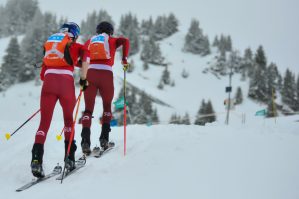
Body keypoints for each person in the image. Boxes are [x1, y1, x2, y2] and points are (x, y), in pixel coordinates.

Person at [30, 22, 89, 178]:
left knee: (44, 123)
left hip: (48, 84)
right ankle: (69, 158)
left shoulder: (52, 49)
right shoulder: (77, 46)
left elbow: (43, 75)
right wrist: (83, 79)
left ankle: (36, 159)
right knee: (68, 121)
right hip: (66, 84)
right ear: (75, 34)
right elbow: (85, 60)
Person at [80, 21, 130, 154]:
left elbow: (81, 56)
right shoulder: (112, 40)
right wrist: (124, 59)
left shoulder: (90, 41)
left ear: (97, 31)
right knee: (107, 107)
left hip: (91, 73)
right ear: (110, 31)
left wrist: (83, 71)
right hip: (106, 74)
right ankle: (104, 139)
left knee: (88, 110)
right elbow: (125, 41)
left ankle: (85, 142)